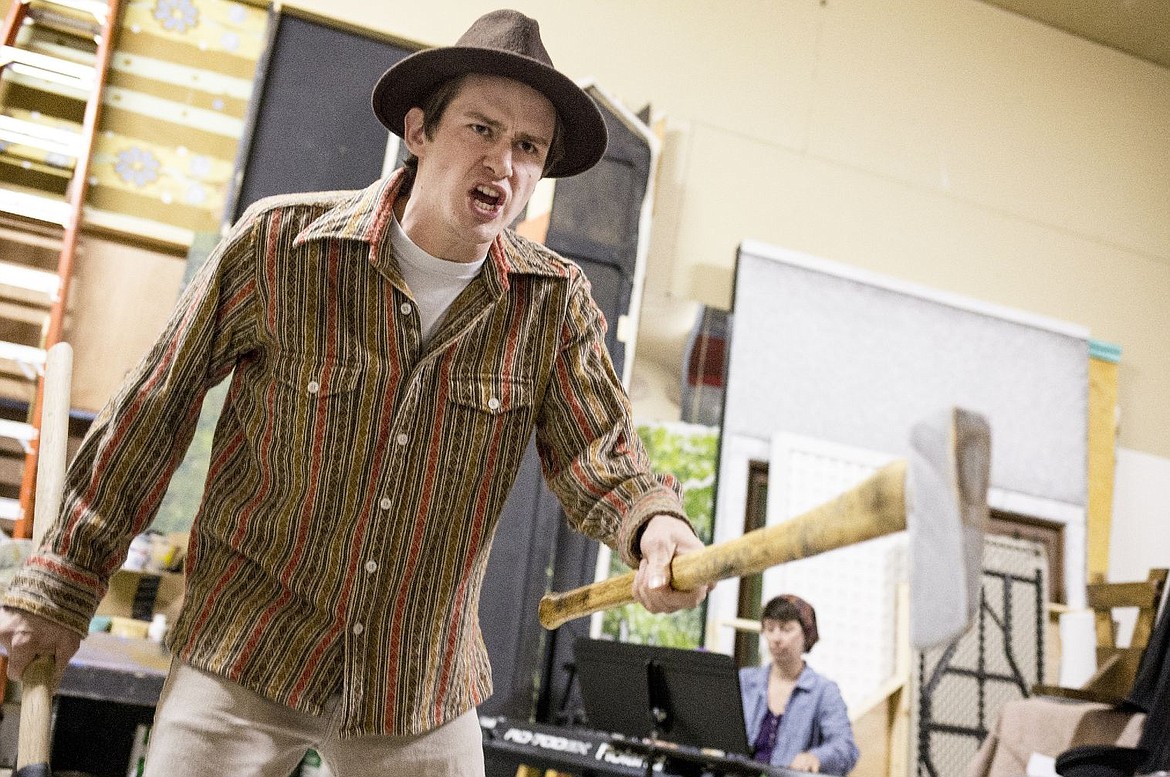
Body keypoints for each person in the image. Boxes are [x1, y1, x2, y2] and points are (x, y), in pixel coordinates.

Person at [0, 10, 708, 777]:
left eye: (527, 147)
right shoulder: (279, 247)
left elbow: (598, 452)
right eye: (481, 129)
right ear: (420, 129)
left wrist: (654, 524)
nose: (504, 164)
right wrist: (62, 585)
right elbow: (152, 412)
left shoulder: (551, 304)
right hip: (246, 649)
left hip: (416, 686)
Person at [739, 595, 859, 775]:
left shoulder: (824, 691)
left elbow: (846, 748)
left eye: (786, 629)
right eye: (770, 628)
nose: (776, 638)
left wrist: (816, 757)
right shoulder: (744, 680)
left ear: (806, 635)